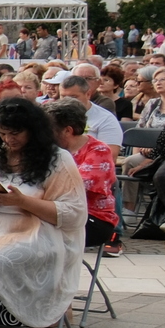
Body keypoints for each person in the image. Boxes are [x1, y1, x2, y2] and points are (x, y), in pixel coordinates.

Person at [0, 97, 87, 328]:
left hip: (37, 235)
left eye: (15, 134)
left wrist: (22, 201)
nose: (9, 140)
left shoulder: (58, 159)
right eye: (2, 134)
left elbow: (74, 214)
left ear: (33, 130)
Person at [53, 100, 117, 251]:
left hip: (93, 218)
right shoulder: (51, 150)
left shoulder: (99, 151)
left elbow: (79, 187)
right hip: (59, 212)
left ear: (67, 131)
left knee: (37, 230)